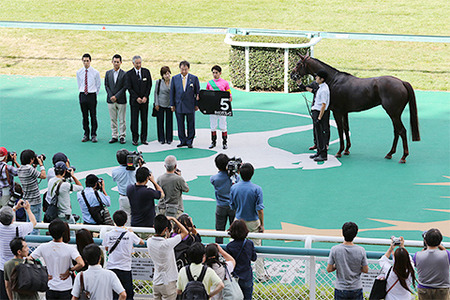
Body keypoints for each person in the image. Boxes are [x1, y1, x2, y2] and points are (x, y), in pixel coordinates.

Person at [30, 218, 85, 300]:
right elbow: (81, 263)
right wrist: (70, 271)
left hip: (50, 286)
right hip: (66, 287)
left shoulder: (43, 247)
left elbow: (29, 259)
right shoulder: (70, 248)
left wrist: (42, 273)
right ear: (63, 232)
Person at [230, 162, 266, 280]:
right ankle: (260, 274)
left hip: (238, 221)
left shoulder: (234, 187)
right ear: (252, 174)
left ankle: (232, 270)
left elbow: (233, 206)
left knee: (233, 245)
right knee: (257, 247)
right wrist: (262, 224)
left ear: (239, 173)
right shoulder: (257, 189)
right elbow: (260, 209)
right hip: (253, 222)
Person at [103, 210, 144, 300]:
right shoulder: (130, 234)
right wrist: (132, 233)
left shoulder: (108, 234)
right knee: (128, 294)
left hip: (111, 268)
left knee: (113, 294)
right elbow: (141, 242)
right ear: (125, 221)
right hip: (125, 268)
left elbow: (106, 248)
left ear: (114, 221)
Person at [0, 201, 36, 300]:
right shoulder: (18, 229)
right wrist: (27, 209)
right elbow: (33, 222)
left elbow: (5, 217)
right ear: (13, 218)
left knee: (4, 293)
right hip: (18, 266)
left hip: (3, 266)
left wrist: (15, 208)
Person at [147, 215, 188, 300]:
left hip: (156, 281)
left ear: (154, 227)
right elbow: (185, 232)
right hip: (169, 282)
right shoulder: (167, 244)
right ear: (166, 229)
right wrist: (174, 219)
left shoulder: (149, 241)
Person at [327, 222, 369, 300]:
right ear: (355, 234)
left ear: (343, 233)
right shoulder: (361, 250)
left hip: (340, 288)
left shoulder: (335, 249)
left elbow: (329, 269)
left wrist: (338, 265)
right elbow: (365, 270)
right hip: (356, 288)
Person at [170, 60, 200, 148]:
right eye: (182, 69)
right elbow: (172, 92)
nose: (184, 71)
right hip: (179, 105)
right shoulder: (175, 78)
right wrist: (172, 104)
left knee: (191, 123)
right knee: (180, 123)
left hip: (190, 105)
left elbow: (197, 92)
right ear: (180, 68)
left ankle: (190, 140)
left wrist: (196, 104)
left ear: (188, 69)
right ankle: (182, 140)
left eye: (185, 69)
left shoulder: (194, 78)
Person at [413, 228, 450, 299]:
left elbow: (418, 260)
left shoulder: (417, 255)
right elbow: (446, 252)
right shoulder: (446, 255)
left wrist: (425, 247)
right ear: (440, 241)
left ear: (425, 241)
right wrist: (439, 245)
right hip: (442, 289)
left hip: (424, 289)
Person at [225, 220, 256, 299]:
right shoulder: (249, 243)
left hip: (235, 277)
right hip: (247, 277)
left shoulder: (229, 246)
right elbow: (254, 258)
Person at [112, 149, 144, 226]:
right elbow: (145, 174)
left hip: (123, 198)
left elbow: (114, 179)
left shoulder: (115, 171)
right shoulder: (136, 171)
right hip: (136, 197)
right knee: (138, 216)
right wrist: (140, 165)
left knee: (125, 219)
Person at [18, 149, 46, 234]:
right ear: (31, 159)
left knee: (28, 223)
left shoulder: (20, 169)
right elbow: (43, 176)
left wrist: (34, 166)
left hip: (27, 200)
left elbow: (31, 174)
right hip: (35, 201)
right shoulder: (29, 170)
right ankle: (33, 245)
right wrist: (41, 164)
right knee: (35, 225)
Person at [126, 55, 152, 146]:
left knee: (144, 120)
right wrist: (137, 98)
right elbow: (129, 88)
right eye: (136, 63)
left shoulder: (146, 72)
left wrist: (145, 97)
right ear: (133, 63)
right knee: (134, 120)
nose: (138, 65)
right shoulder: (129, 74)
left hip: (144, 102)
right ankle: (135, 138)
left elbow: (149, 85)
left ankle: (144, 138)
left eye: (139, 63)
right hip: (134, 102)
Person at [210, 153, 236, 244]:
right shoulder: (234, 177)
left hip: (221, 207)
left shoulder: (214, 178)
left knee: (219, 230)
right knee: (235, 231)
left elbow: (212, 180)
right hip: (233, 207)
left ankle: (219, 250)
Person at [206, 65, 232, 149]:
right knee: (213, 125)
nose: (214, 74)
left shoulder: (225, 83)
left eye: (216, 73)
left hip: (222, 108)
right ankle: (213, 142)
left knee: (223, 125)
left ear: (220, 73)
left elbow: (229, 94)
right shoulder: (209, 83)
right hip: (212, 107)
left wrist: (230, 97)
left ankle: (224, 143)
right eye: (213, 73)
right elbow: (206, 94)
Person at [76, 53, 101, 143]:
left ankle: (94, 134)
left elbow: (98, 84)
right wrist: (83, 91)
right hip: (83, 94)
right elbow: (79, 83)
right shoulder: (79, 72)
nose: (86, 62)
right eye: (84, 61)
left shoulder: (95, 72)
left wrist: (94, 93)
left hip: (92, 95)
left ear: (90, 61)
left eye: (87, 61)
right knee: (84, 116)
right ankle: (86, 134)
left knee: (93, 116)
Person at [105, 54, 128, 144]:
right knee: (113, 119)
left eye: (118, 62)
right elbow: (106, 85)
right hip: (110, 100)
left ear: (121, 63)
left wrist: (116, 96)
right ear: (112, 62)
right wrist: (111, 96)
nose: (116, 63)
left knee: (122, 119)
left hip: (121, 100)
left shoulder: (124, 74)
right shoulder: (108, 73)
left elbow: (125, 87)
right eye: (114, 62)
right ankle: (114, 135)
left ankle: (122, 136)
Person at [309, 69, 330, 162]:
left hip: (319, 113)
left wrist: (319, 117)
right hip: (316, 111)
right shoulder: (321, 87)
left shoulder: (324, 90)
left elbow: (324, 105)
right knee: (318, 134)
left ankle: (323, 154)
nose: (315, 78)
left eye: (317, 77)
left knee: (320, 134)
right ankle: (319, 152)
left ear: (322, 79)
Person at [154, 66, 174, 144]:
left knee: (169, 122)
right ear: (162, 75)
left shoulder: (173, 82)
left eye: (168, 73)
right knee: (160, 122)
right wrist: (156, 103)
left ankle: (169, 138)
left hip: (169, 104)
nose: (167, 75)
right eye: (165, 74)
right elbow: (156, 93)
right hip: (161, 104)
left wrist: (173, 105)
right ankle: (161, 138)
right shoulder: (158, 82)